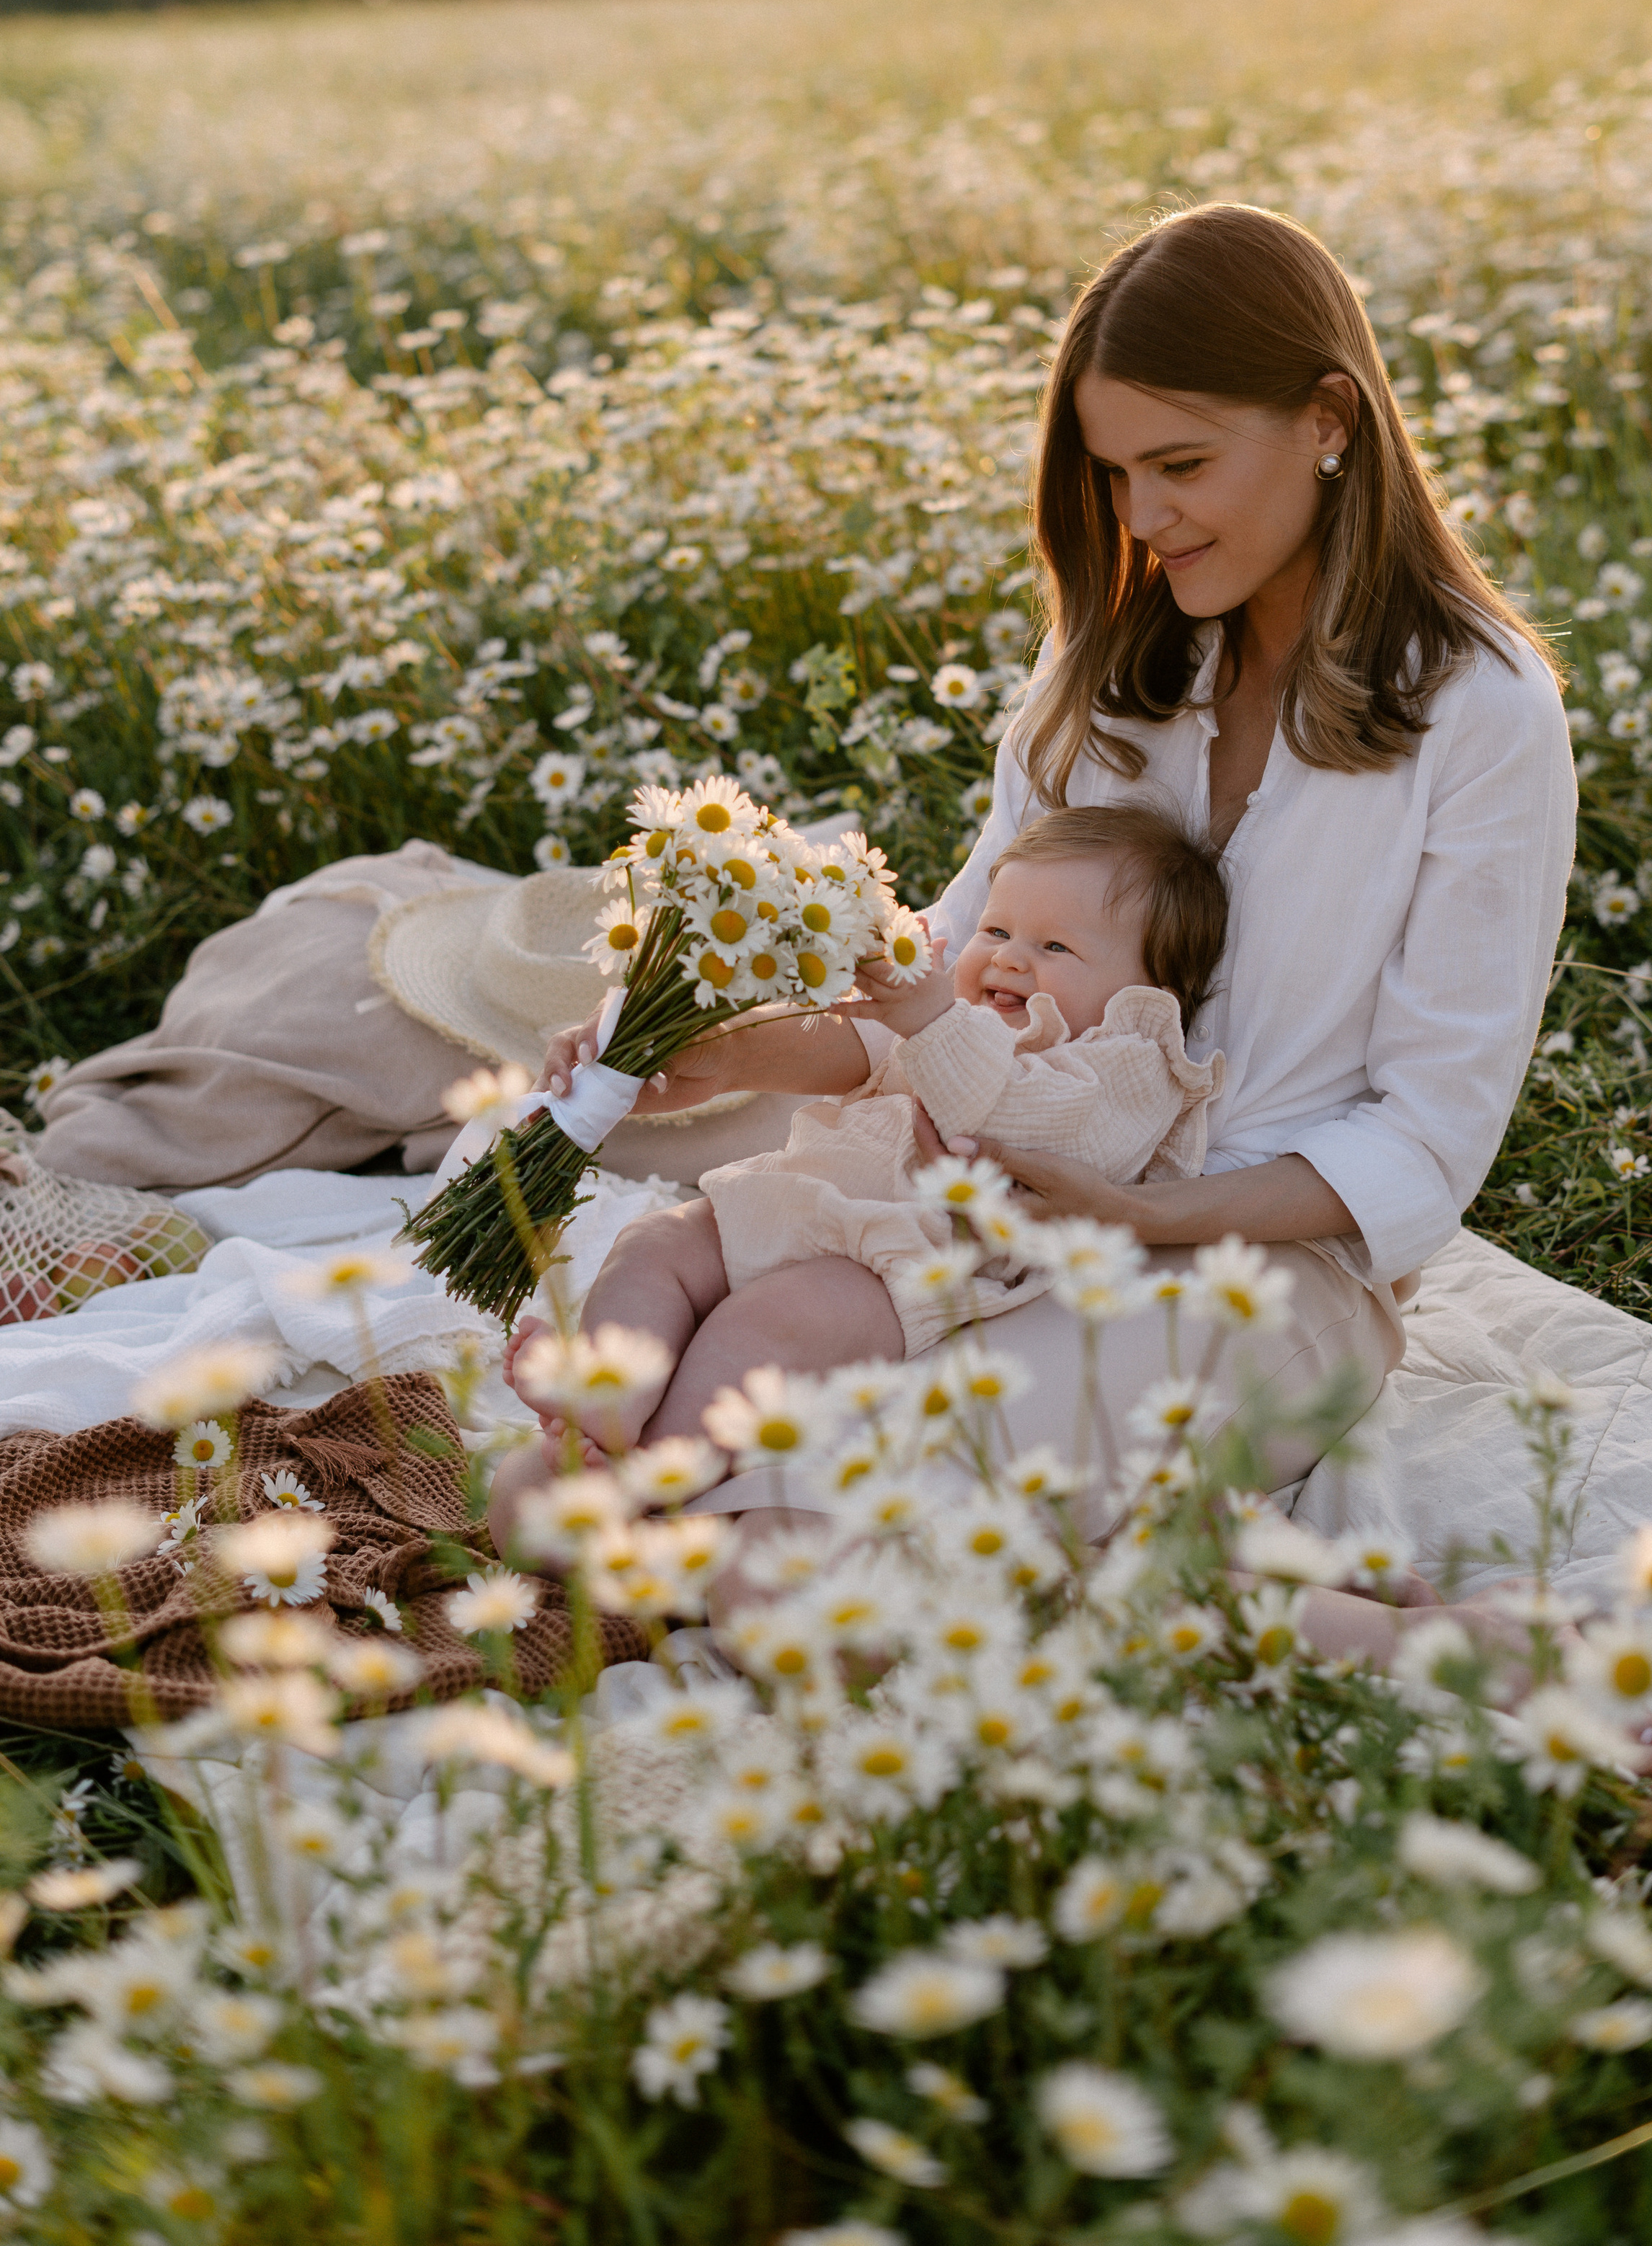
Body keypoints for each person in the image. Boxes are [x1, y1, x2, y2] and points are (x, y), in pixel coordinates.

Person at [523, 201, 1577, 1638]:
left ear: (1329, 418)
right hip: (980, 1223)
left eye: (1181, 465)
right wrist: (733, 1053)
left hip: (1258, 1278)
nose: (1140, 520)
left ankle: (1432, 1652)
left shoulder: (1479, 714)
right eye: (1114, 473)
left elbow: (1427, 1134)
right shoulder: (1115, 668)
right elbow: (956, 976)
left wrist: (1141, 1216)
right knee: (677, 1424)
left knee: (804, 1521)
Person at [487, 805, 1227, 1540]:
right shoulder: (960, 1020)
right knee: (656, 1243)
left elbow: (1016, 1118)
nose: (1006, 958)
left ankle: (650, 1490)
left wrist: (935, 1016)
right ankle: (605, 1407)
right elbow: (854, 1042)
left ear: (1151, 988)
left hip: (894, 1264)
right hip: (790, 1205)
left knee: (764, 1325)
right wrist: (689, 1041)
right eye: (995, 931)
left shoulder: (1129, 1063)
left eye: (1055, 945)